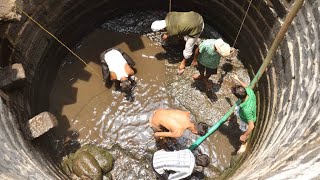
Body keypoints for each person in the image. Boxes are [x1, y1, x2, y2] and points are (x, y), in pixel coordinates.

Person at [231, 74, 257, 154]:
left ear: (239, 97)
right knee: (236, 109)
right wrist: (237, 79)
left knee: (243, 131)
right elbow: (246, 86)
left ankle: (244, 144)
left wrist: (244, 135)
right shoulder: (250, 92)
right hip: (243, 110)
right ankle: (233, 116)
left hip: (245, 120)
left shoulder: (246, 110)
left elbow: (251, 125)